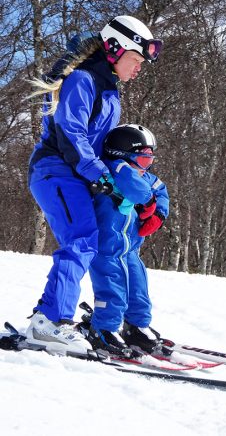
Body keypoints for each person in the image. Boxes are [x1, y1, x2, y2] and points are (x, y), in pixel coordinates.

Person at [26, 17, 163, 354]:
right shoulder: (83, 79)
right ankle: (47, 322)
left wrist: (131, 181)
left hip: (78, 174)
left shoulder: (108, 87)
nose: (138, 69)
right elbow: (71, 134)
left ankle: (109, 319)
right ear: (116, 48)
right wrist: (100, 176)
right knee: (82, 239)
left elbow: (101, 143)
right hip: (56, 170)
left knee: (104, 242)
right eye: (136, 60)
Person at [81, 124, 169, 358]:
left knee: (138, 288)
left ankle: (137, 326)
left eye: (150, 160)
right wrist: (148, 201)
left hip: (130, 249)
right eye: (143, 159)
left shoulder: (142, 176)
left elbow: (160, 189)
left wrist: (159, 213)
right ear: (123, 154)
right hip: (107, 248)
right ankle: (104, 329)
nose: (147, 167)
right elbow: (137, 187)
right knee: (113, 287)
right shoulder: (115, 169)